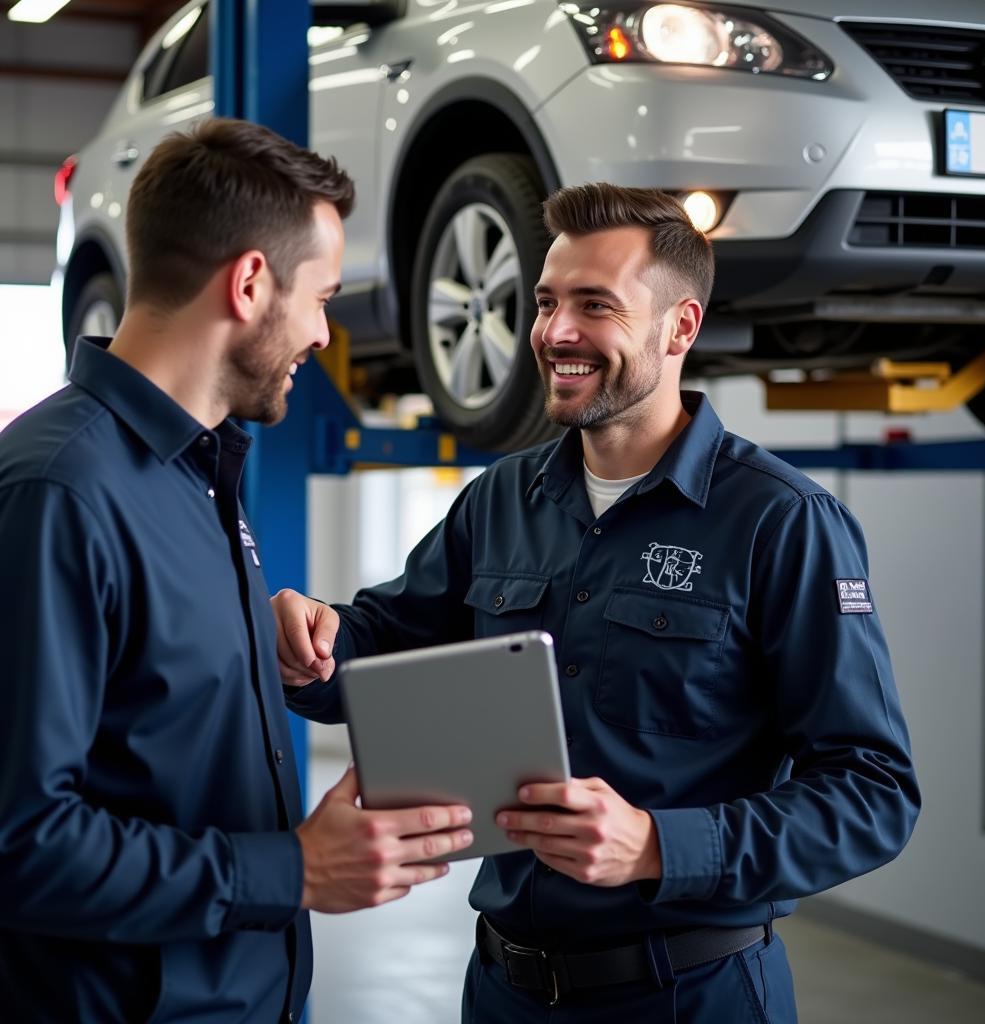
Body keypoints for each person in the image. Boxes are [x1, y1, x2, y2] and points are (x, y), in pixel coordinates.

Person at [274, 184, 921, 1022]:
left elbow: (873, 794)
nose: (554, 333)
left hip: (690, 995)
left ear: (679, 327)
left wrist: (659, 847)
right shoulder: (502, 499)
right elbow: (384, 643)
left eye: (594, 305)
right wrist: (317, 642)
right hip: (503, 989)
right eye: (546, 303)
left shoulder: (781, 523)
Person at [0, 118, 473, 1023]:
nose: (325, 334)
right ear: (251, 283)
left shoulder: (200, 471)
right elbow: (21, 844)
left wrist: (255, 630)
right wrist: (294, 869)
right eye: (322, 298)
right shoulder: (60, 493)